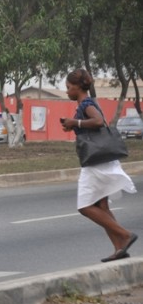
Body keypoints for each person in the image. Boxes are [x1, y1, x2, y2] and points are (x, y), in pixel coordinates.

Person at [60, 68, 137, 262]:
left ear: (78, 87)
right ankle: (119, 247)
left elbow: (99, 121)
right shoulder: (86, 103)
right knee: (102, 207)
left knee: (85, 206)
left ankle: (125, 234)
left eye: (69, 87)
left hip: (95, 163)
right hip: (102, 160)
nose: (67, 91)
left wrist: (75, 122)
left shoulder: (86, 103)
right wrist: (72, 124)